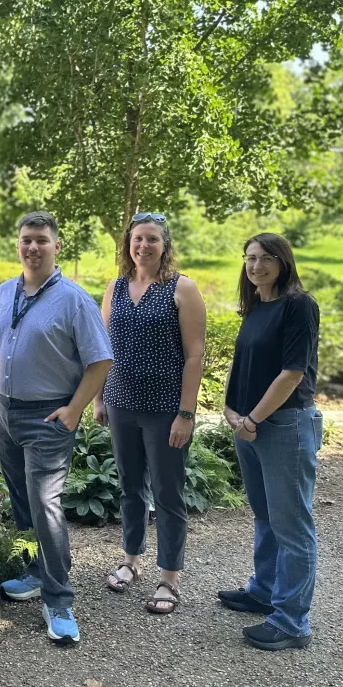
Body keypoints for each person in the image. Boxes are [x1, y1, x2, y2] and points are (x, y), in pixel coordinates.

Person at [0, 211, 113, 645]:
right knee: (21, 502)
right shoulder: (4, 292)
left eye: (41, 240)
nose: (32, 247)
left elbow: (101, 360)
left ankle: (59, 599)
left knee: (45, 504)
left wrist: (75, 409)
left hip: (48, 417)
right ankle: (33, 570)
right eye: (26, 239)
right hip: (5, 414)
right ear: (17, 245)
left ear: (57, 246)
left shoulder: (74, 299)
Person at [93, 213, 206, 614]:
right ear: (129, 244)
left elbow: (194, 356)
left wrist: (186, 413)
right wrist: (99, 398)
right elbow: (103, 347)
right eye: (137, 239)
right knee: (130, 487)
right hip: (121, 402)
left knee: (168, 492)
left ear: (164, 245)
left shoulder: (182, 288)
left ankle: (169, 578)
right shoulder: (116, 287)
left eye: (152, 239)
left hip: (165, 409)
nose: (143, 246)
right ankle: (131, 561)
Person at [220, 233, 322, 651]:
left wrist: (252, 419)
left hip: (284, 426)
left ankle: (292, 622)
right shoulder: (256, 307)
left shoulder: (299, 305)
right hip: (250, 425)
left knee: (292, 526)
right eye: (250, 258)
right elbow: (241, 362)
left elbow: (292, 374)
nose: (256, 266)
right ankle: (264, 591)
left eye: (265, 258)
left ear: (283, 262)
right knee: (265, 516)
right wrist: (230, 409)